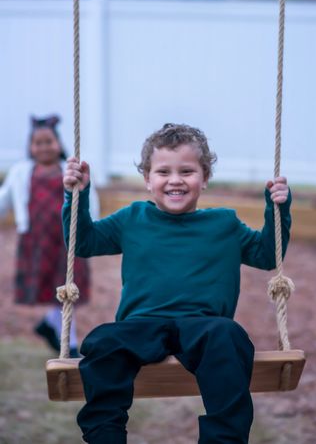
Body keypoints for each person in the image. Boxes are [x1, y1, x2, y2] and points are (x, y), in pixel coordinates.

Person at [63, 122, 292, 444]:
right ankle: (105, 435)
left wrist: (277, 209)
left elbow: (267, 255)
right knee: (103, 342)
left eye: (187, 171)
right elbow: (84, 243)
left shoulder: (223, 224)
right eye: (163, 172)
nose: (175, 180)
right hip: (141, 324)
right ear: (147, 179)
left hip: (205, 325)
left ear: (205, 178)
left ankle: (223, 439)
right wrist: (77, 195)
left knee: (229, 336)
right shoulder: (132, 219)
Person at [0, 115, 99, 356]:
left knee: (68, 289)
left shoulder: (70, 169)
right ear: (30, 147)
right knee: (57, 291)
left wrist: (91, 226)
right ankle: (54, 327)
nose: (44, 147)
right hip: (38, 241)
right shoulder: (22, 171)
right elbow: (5, 199)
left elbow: (90, 198)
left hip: (67, 239)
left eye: (49, 142)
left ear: (59, 144)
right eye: (38, 143)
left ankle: (68, 341)